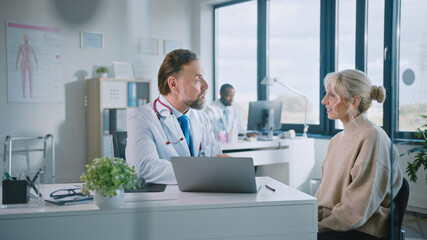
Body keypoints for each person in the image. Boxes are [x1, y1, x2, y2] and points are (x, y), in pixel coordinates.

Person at [316, 69, 403, 240]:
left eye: (332, 95)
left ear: (354, 101)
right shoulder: (336, 140)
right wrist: (304, 218)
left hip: (359, 231)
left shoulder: (372, 137)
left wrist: (316, 228)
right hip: (334, 225)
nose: (324, 100)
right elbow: (324, 197)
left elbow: (356, 209)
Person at [126, 49, 226, 184]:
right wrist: (204, 170)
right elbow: (144, 167)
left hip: (202, 196)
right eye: (197, 79)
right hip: (165, 201)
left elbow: (217, 160)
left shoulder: (201, 118)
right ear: (173, 84)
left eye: (203, 77)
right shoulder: (141, 118)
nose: (206, 85)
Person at [16, 34, 38, 99]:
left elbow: (34, 56)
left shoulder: (31, 47)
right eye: (25, 38)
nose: (26, 39)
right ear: (23, 38)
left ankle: (31, 95)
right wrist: (16, 64)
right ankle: (24, 95)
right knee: (23, 79)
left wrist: (37, 64)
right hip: (23, 62)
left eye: (27, 38)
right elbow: (18, 55)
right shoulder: (21, 47)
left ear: (29, 38)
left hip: (30, 63)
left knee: (31, 79)